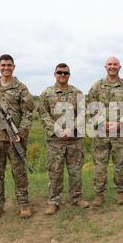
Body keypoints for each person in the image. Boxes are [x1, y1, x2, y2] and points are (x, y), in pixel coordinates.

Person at [0, 54, 34, 223]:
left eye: (9, 65)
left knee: (19, 172)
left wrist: (21, 133)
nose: (6, 68)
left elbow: (29, 112)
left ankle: (24, 204)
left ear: (14, 67)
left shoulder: (21, 88)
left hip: (15, 138)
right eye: (3, 65)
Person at [37, 63, 90, 215]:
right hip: (55, 141)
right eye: (59, 72)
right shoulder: (46, 94)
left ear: (69, 75)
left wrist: (71, 128)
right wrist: (57, 129)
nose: (62, 75)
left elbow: (82, 113)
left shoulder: (77, 93)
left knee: (75, 171)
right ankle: (54, 201)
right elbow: (43, 114)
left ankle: (77, 198)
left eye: (65, 73)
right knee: (55, 172)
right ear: (54, 74)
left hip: (74, 140)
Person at [87, 57, 123, 206]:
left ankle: (120, 193)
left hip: (120, 134)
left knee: (120, 164)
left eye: (115, 64)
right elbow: (90, 105)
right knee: (100, 165)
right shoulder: (97, 86)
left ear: (119, 67)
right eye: (110, 64)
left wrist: (121, 124)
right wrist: (101, 121)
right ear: (105, 67)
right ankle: (99, 194)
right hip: (101, 133)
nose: (112, 67)